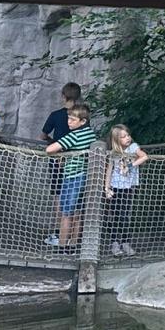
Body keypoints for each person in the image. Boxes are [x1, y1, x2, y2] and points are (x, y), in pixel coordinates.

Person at [45, 103, 96, 249]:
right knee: (77, 213)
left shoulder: (74, 136)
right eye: (68, 118)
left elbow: (50, 149)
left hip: (72, 178)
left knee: (66, 214)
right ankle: (73, 245)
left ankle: (62, 246)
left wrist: (61, 154)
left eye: (73, 120)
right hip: (84, 177)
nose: (69, 122)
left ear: (83, 121)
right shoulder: (91, 134)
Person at [42, 82, 82, 226]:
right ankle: (73, 232)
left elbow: (43, 135)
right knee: (75, 195)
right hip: (77, 159)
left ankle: (60, 229)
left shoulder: (55, 115)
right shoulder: (82, 117)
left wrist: (52, 142)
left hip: (57, 156)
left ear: (63, 96)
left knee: (58, 193)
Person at [104, 124, 147, 258]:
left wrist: (130, 165)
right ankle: (115, 243)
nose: (127, 138)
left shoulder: (133, 147)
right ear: (116, 140)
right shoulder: (113, 153)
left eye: (127, 135)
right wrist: (106, 187)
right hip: (115, 186)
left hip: (128, 187)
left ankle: (126, 242)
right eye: (123, 137)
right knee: (115, 215)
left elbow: (144, 156)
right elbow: (109, 170)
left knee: (125, 215)